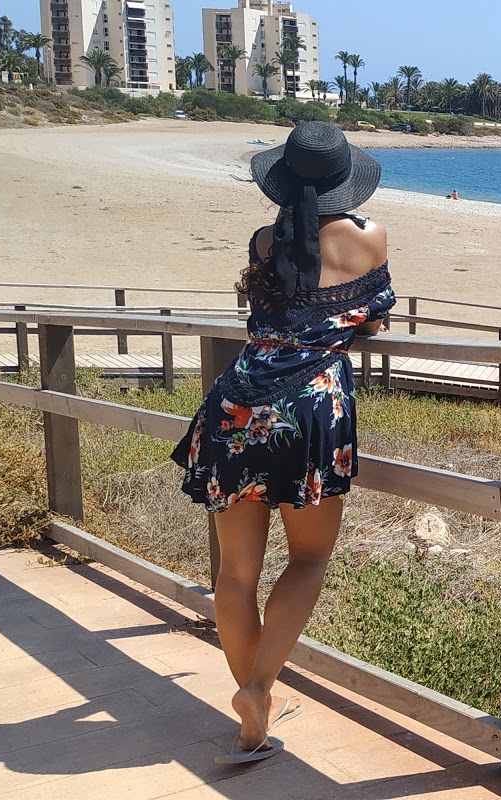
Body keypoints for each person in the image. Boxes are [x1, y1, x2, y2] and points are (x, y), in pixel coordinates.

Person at [171, 122, 395, 764]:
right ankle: (259, 687)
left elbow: (274, 301)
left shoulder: (264, 239)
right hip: (311, 405)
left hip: (239, 400)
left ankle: (253, 722)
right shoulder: (367, 236)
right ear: (343, 177)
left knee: (236, 573)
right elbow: (374, 314)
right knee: (307, 560)